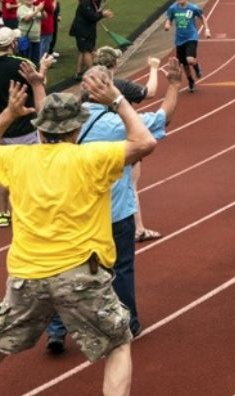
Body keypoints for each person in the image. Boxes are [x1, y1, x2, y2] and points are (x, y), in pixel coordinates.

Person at [0, 71, 157, 396]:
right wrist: (117, 101)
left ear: (40, 131)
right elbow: (145, 142)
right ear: (76, 129)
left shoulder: (16, 159)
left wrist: (8, 113)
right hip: (81, 276)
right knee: (119, 344)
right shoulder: (92, 157)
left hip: (26, 275)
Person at [45, 59, 181, 350]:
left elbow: (44, 123)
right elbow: (161, 119)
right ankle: (127, 322)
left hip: (74, 210)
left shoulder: (68, 122)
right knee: (120, 268)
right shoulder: (118, 123)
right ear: (109, 89)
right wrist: (175, 85)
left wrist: (37, 83)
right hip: (115, 210)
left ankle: (57, 329)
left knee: (67, 267)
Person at [0, 28, 52, 228]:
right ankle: (29, 210)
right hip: (23, 127)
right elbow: (39, 84)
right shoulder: (23, 64)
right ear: (12, 44)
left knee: (0, 171)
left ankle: (3, 213)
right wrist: (44, 69)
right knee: (30, 171)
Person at [92, 48, 163, 242]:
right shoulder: (118, 85)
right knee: (129, 184)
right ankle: (138, 228)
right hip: (121, 138)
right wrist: (154, 68)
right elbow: (150, 92)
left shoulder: (86, 86)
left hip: (94, 139)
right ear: (115, 64)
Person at [164, 0, 211, 93]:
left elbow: (202, 17)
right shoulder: (173, 8)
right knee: (184, 64)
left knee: (190, 59)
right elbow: (169, 19)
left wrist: (207, 29)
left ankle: (196, 66)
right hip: (179, 39)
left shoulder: (193, 8)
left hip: (191, 37)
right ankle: (190, 80)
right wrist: (167, 24)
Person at [70, 0, 114, 79]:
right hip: (82, 30)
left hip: (88, 29)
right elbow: (92, 17)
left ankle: (79, 72)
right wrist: (103, 14)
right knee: (86, 50)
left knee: (85, 50)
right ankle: (93, 73)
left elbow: (96, 11)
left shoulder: (91, 0)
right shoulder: (85, 2)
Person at [34, 0, 59, 64]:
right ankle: (42, 64)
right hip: (47, 24)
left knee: (40, 44)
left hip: (39, 23)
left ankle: (41, 61)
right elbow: (52, 9)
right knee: (44, 46)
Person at [18, 0, 45, 66]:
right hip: (26, 39)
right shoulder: (21, 9)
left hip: (36, 39)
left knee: (35, 61)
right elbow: (26, 18)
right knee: (26, 61)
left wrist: (42, 10)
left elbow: (44, 17)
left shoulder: (36, 8)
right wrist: (37, 10)